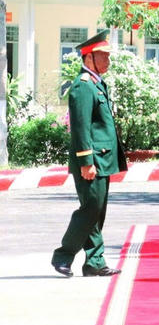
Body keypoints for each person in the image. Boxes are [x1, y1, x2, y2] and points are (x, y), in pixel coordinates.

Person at [51, 29, 128, 278]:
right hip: (91, 160)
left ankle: (94, 261)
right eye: (103, 56)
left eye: (107, 56)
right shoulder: (83, 86)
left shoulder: (96, 83)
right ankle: (63, 255)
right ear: (88, 58)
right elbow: (81, 127)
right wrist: (86, 161)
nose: (108, 60)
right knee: (90, 208)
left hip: (102, 159)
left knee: (97, 210)